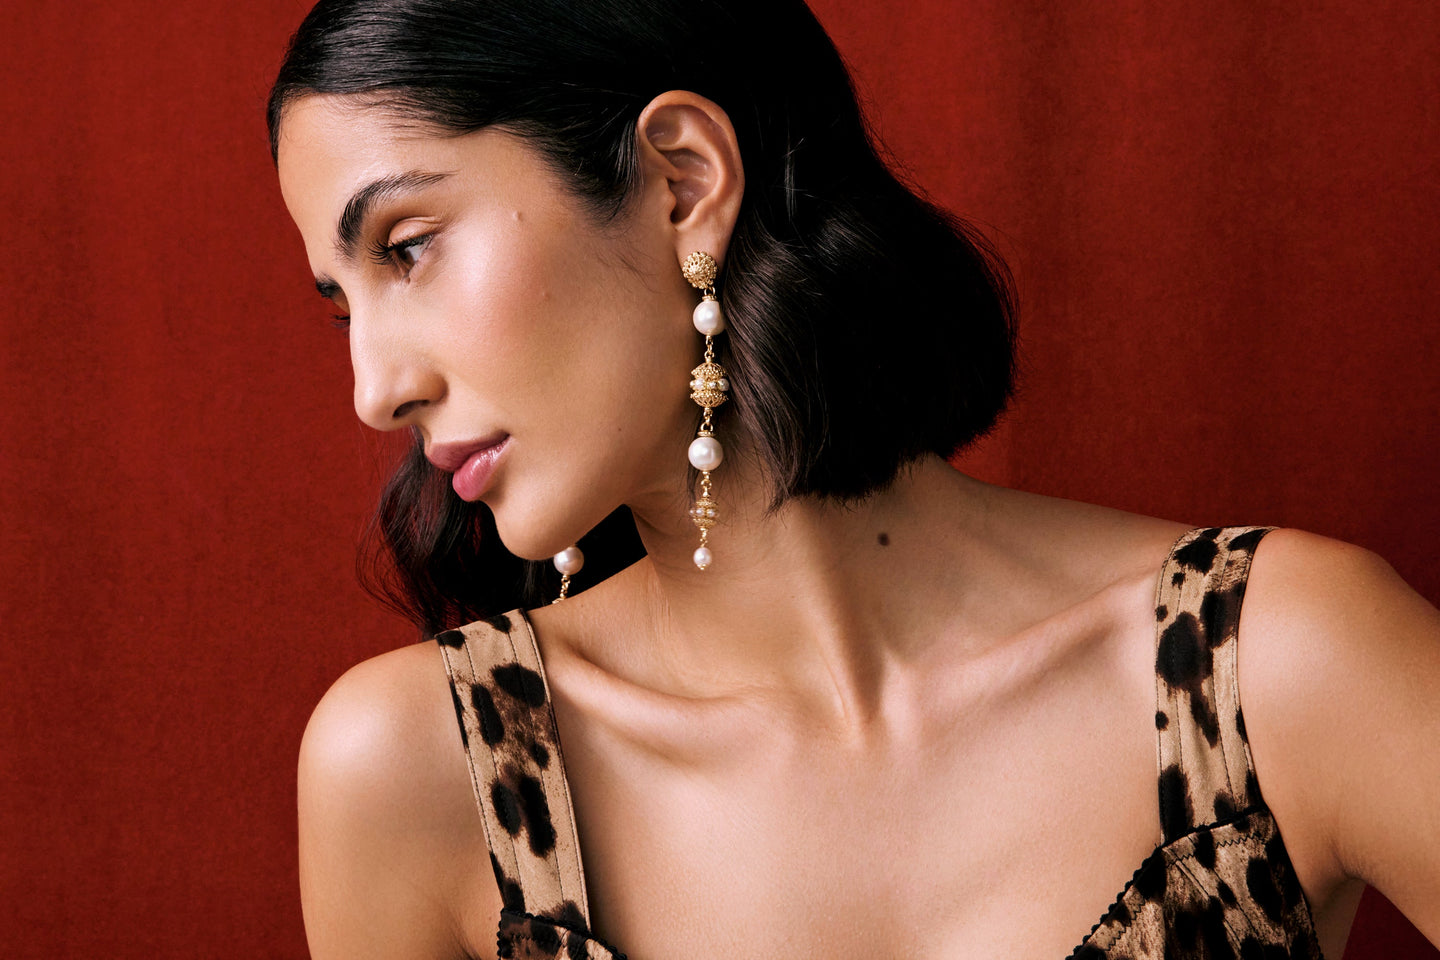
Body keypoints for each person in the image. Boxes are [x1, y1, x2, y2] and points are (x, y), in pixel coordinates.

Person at [268, 0, 1440, 957]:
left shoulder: (1270, 669)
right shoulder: (425, 773)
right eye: (339, 309)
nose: (376, 389)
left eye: (407, 250)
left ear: (680, 182)